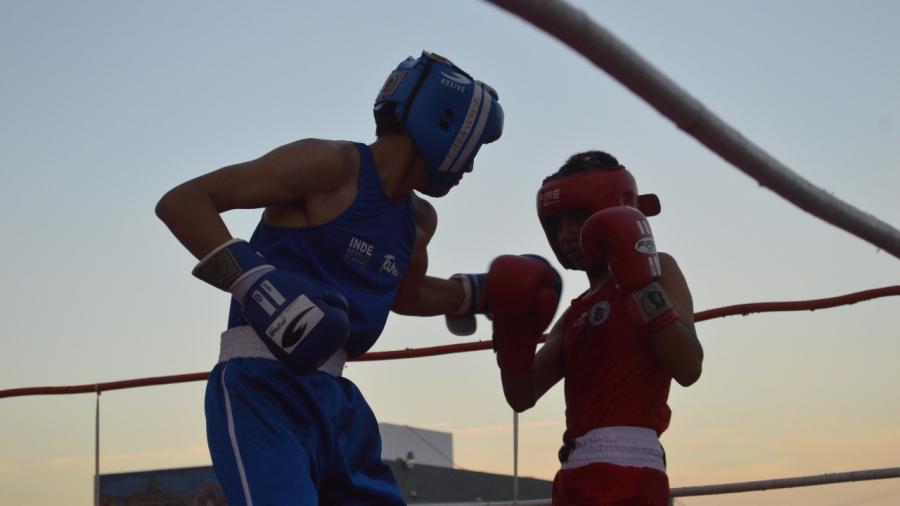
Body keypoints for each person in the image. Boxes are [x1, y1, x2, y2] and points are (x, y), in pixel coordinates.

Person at [155, 51, 503, 505]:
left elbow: (408, 293)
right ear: (446, 124)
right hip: (261, 385)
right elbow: (183, 202)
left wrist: (480, 293)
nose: (470, 166)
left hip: (338, 401)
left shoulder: (418, 221)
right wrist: (257, 286)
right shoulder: (330, 165)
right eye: (473, 148)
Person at [479, 151, 704, 505]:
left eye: (578, 219)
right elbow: (522, 396)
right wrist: (513, 337)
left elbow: (689, 367)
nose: (566, 235)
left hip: (631, 472)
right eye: (557, 224)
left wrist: (640, 288)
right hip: (572, 474)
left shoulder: (661, 270)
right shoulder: (574, 314)